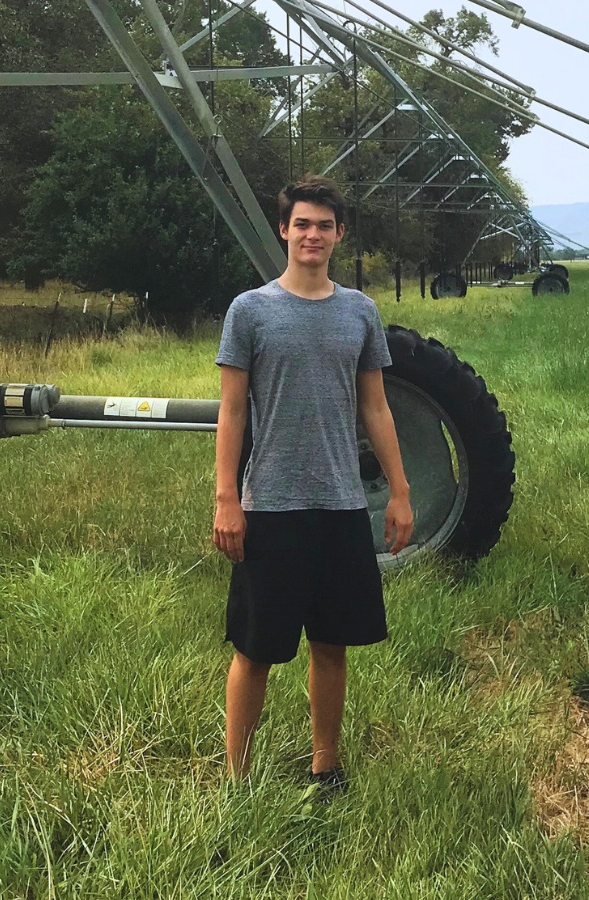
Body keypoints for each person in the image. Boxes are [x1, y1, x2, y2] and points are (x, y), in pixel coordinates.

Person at [212, 175, 413, 793]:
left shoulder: (360, 312)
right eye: (302, 223)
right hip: (270, 504)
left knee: (332, 643)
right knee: (256, 649)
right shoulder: (250, 311)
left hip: (341, 504)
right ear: (283, 229)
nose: (312, 235)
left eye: (324, 226)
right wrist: (226, 499)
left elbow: (376, 408)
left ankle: (325, 763)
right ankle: (237, 779)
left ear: (339, 234)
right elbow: (232, 410)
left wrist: (400, 493)